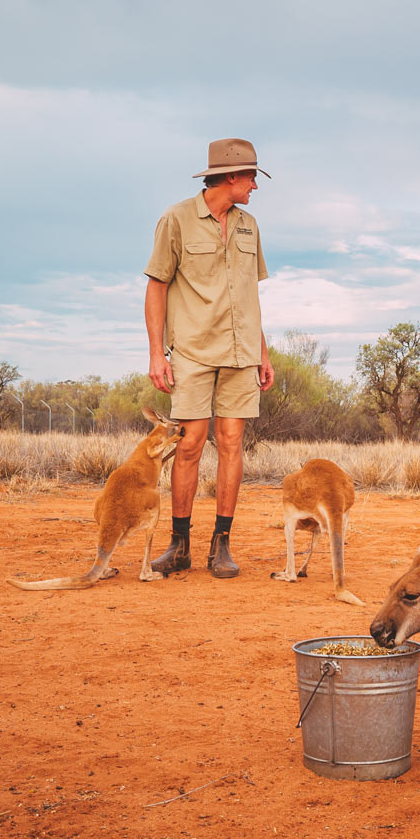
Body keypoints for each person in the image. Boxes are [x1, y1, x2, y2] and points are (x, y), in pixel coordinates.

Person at [143, 138, 276, 578]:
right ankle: (178, 545)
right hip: (194, 353)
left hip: (241, 354)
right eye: (252, 177)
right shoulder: (176, 219)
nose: (256, 185)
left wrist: (262, 351)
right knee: (190, 446)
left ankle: (222, 545)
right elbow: (157, 285)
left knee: (233, 445)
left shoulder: (249, 225)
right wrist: (156, 354)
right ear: (232, 177)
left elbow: (248, 293)